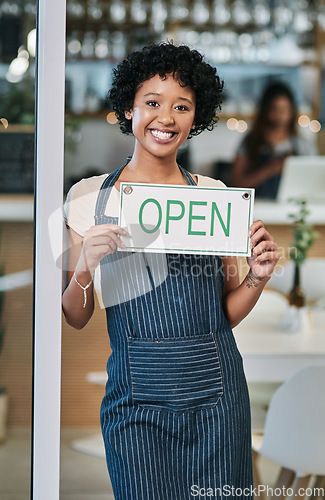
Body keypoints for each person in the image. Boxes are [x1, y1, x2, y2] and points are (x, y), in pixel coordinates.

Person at [62, 42, 279, 500]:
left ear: (195, 116)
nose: (166, 118)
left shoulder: (215, 197)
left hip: (219, 399)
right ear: (129, 108)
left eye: (182, 106)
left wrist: (257, 276)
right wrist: (85, 264)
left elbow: (225, 314)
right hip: (135, 400)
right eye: (153, 103)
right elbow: (76, 315)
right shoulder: (90, 198)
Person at [231, 82, 317, 199]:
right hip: (258, 206)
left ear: (292, 111)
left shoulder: (302, 145)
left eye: (284, 110)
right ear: (265, 110)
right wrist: (269, 169)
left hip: (290, 207)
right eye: (274, 109)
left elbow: (313, 184)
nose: (280, 115)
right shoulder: (251, 142)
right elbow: (236, 184)